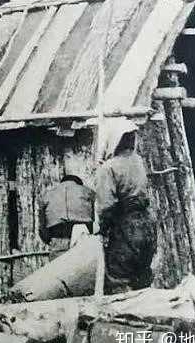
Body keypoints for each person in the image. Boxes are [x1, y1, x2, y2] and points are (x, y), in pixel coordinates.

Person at [95, 118, 157, 294]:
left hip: (126, 226)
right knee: (142, 276)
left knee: (118, 279)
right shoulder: (139, 162)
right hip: (147, 224)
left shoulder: (109, 168)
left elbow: (107, 205)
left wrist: (103, 229)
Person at [39, 175, 95, 261]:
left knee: (58, 271)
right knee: (83, 271)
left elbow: (42, 225)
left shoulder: (47, 195)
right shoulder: (88, 192)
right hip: (82, 237)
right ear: (79, 184)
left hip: (58, 237)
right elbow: (98, 217)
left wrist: (49, 240)